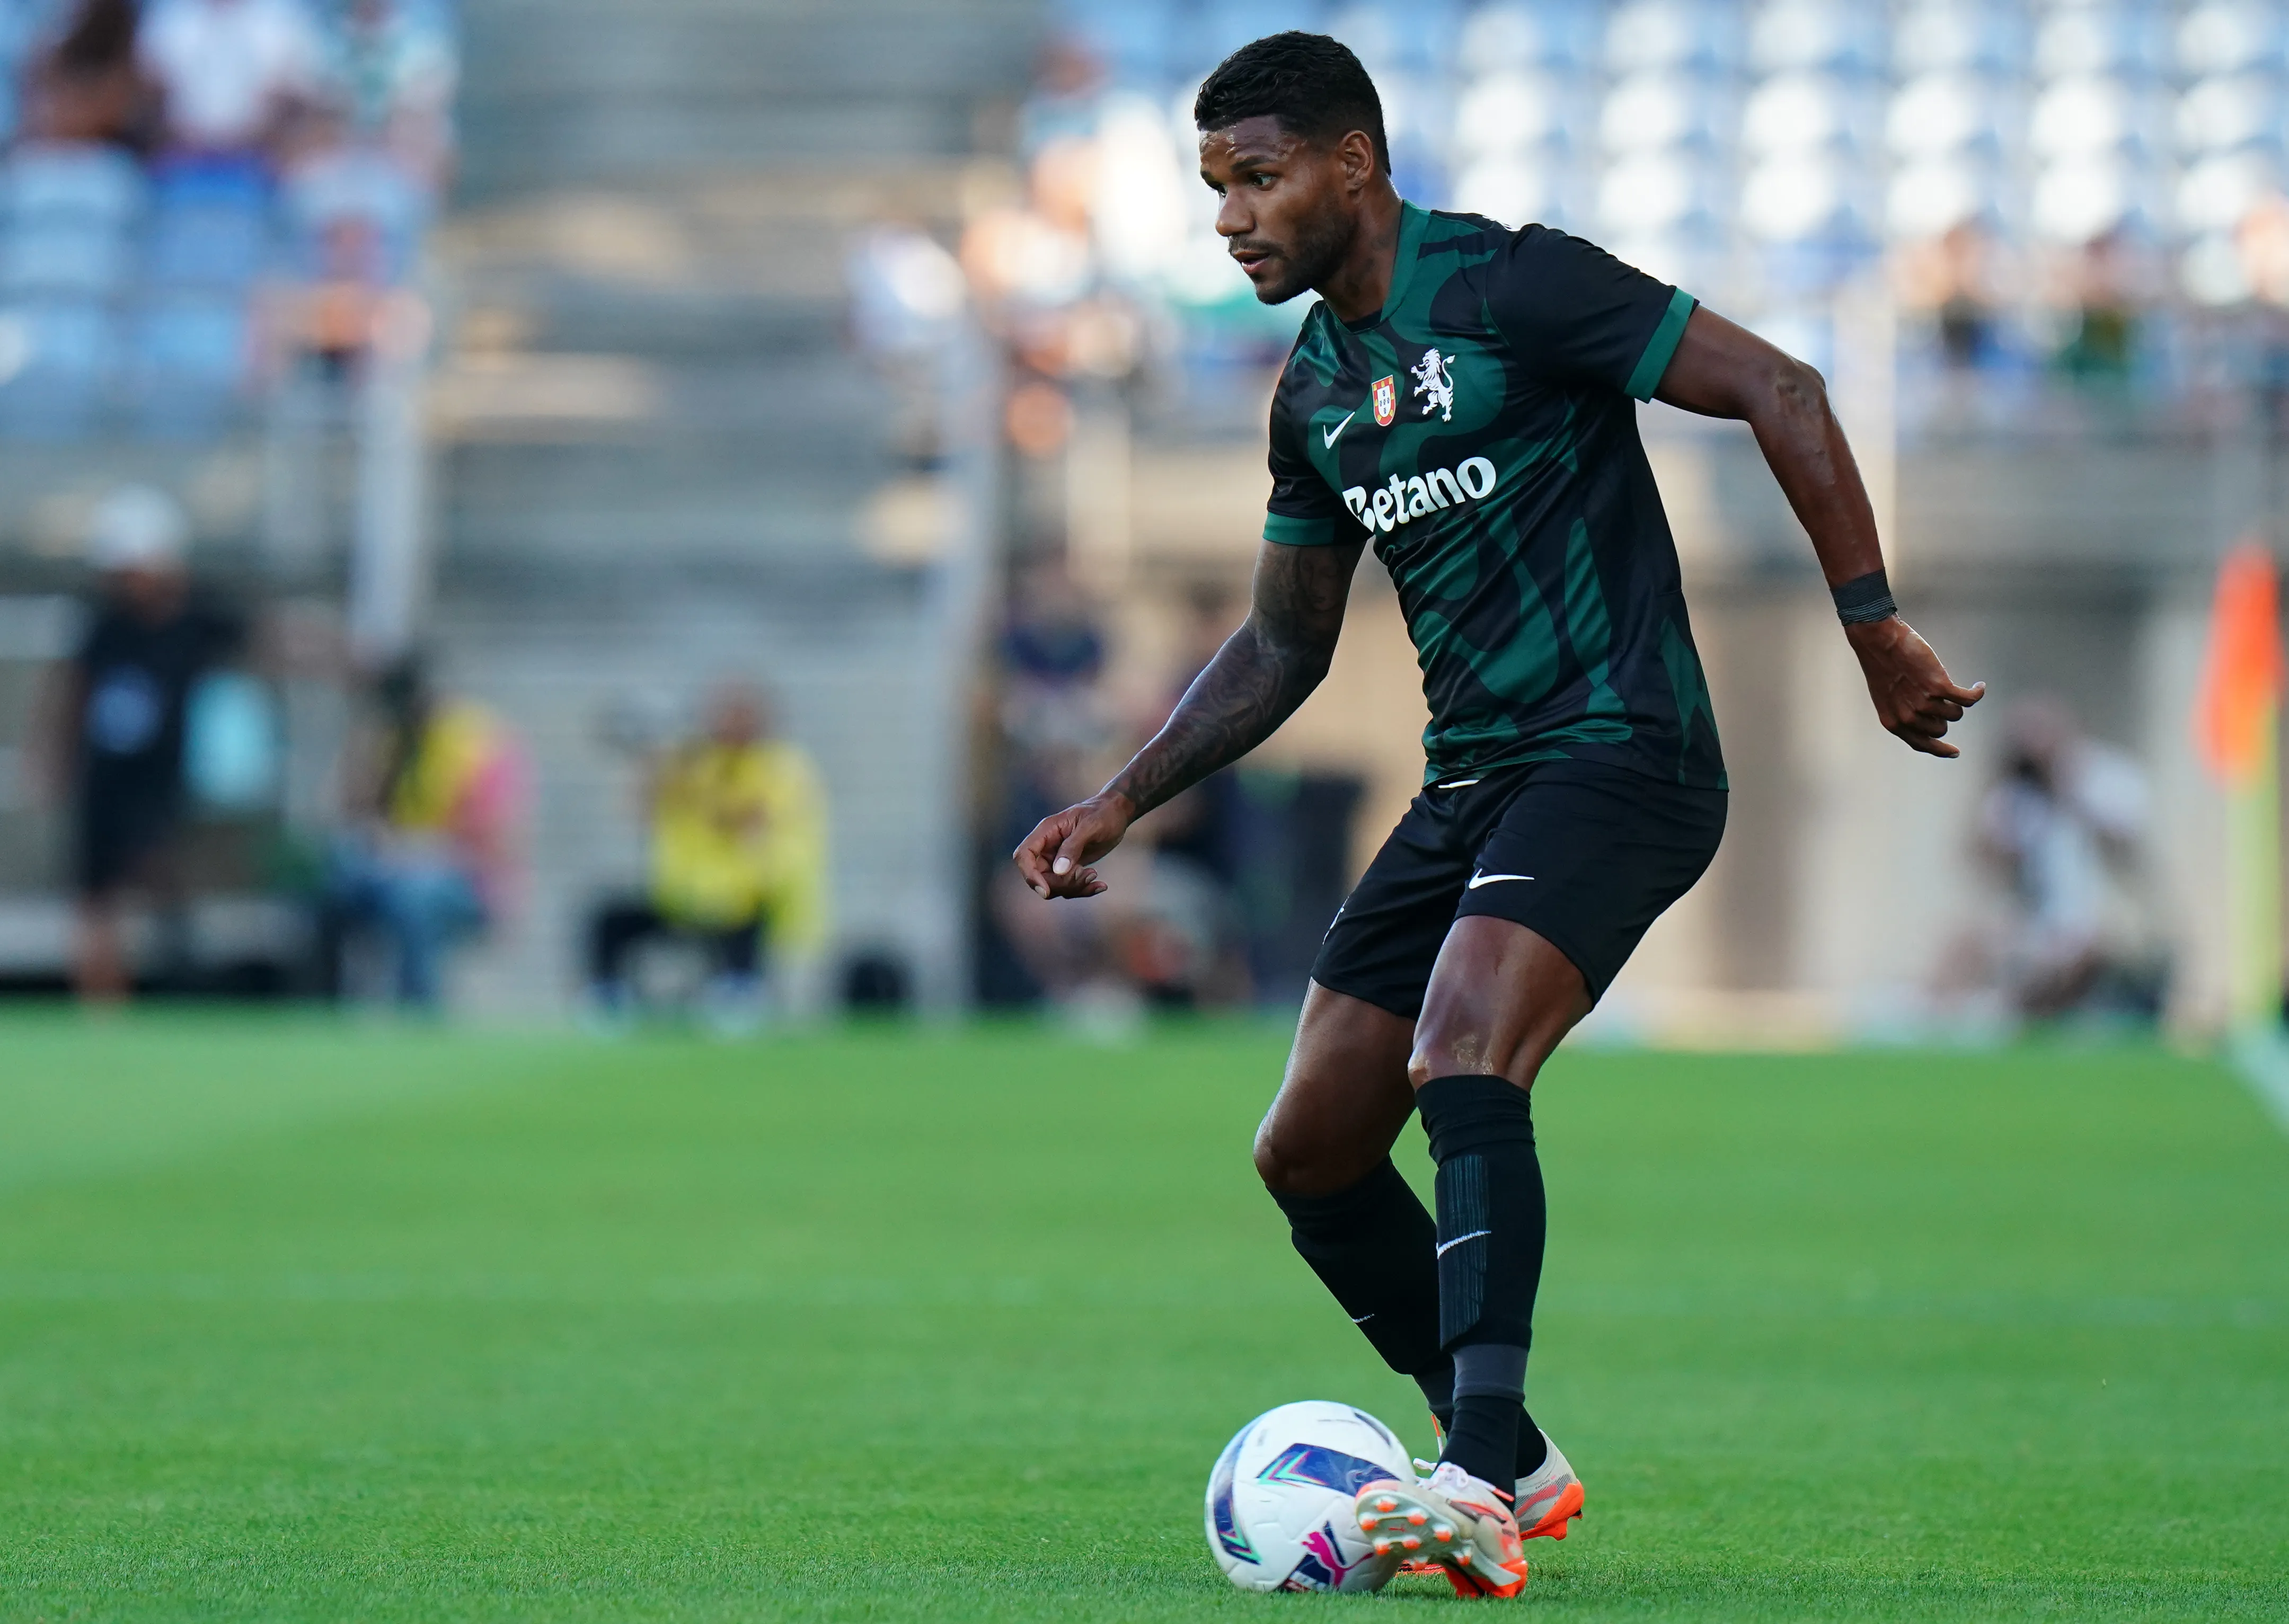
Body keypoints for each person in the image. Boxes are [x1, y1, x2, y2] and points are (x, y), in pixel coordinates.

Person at [1012, 33, 1986, 1600]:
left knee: (1460, 1042)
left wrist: (1871, 631)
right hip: (1468, 776)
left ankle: (1466, 1473)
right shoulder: (1315, 392)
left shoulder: (1507, 287)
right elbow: (1280, 643)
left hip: (1621, 753)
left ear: (1351, 165)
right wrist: (1119, 798)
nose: (1230, 219)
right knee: (1309, 1152)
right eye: (1210, 189)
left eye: (1256, 178)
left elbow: (1774, 383)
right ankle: (1512, 1453)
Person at [34, 485, 242, 1002]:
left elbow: (271, 642)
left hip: (161, 780)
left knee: (157, 869)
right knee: (95, 894)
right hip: (104, 776)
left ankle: (186, 975)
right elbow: (71, 690)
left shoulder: (197, 616)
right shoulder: (105, 622)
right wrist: (54, 758)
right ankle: (103, 1004)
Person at [586, 682, 826, 1028]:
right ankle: (608, 998)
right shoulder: (694, 761)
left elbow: (748, 820)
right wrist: (651, 766)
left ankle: (740, 991)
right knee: (610, 917)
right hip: (682, 894)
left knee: (744, 919)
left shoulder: (782, 765)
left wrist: (692, 788)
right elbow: (639, 810)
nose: (726, 724)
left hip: (748, 894)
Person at [326, 657, 523, 1010]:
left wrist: (416, 850)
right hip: (393, 869)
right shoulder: (393, 740)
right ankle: (323, 1002)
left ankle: (419, 1012)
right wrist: (364, 749)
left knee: (416, 897)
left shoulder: (476, 741)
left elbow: (491, 838)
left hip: (465, 880)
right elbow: (353, 812)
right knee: (333, 875)